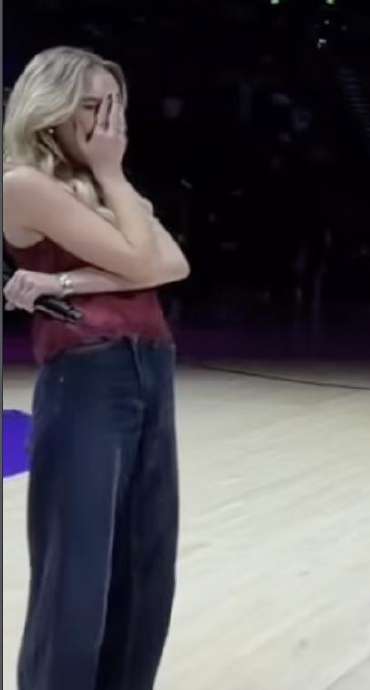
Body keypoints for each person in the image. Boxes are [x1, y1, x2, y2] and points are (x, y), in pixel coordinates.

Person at [2, 46, 190, 690]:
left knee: (146, 569)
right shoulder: (25, 183)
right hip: (87, 375)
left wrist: (61, 278)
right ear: (49, 108)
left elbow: (174, 265)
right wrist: (114, 179)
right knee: (76, 578)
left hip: (151, 370)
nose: (109, 122)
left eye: (116, 105)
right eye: (92, 104)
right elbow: (144, 262)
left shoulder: (111, 187)